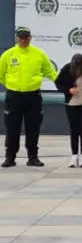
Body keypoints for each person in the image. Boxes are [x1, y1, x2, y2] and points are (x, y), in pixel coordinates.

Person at [0, 27, 58, 168]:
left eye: (26, 37)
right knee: (12, 127)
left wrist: (65, 84)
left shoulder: (39, 54)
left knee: (33, 127)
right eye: (21, 37)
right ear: (16, 38)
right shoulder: (8, 55)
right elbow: (1, 75)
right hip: (14, 96)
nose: (23, 40)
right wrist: (13, 86)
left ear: (30, 38)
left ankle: (33, 157)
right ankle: (10, 157)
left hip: (33, 96)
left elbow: (51, 72)